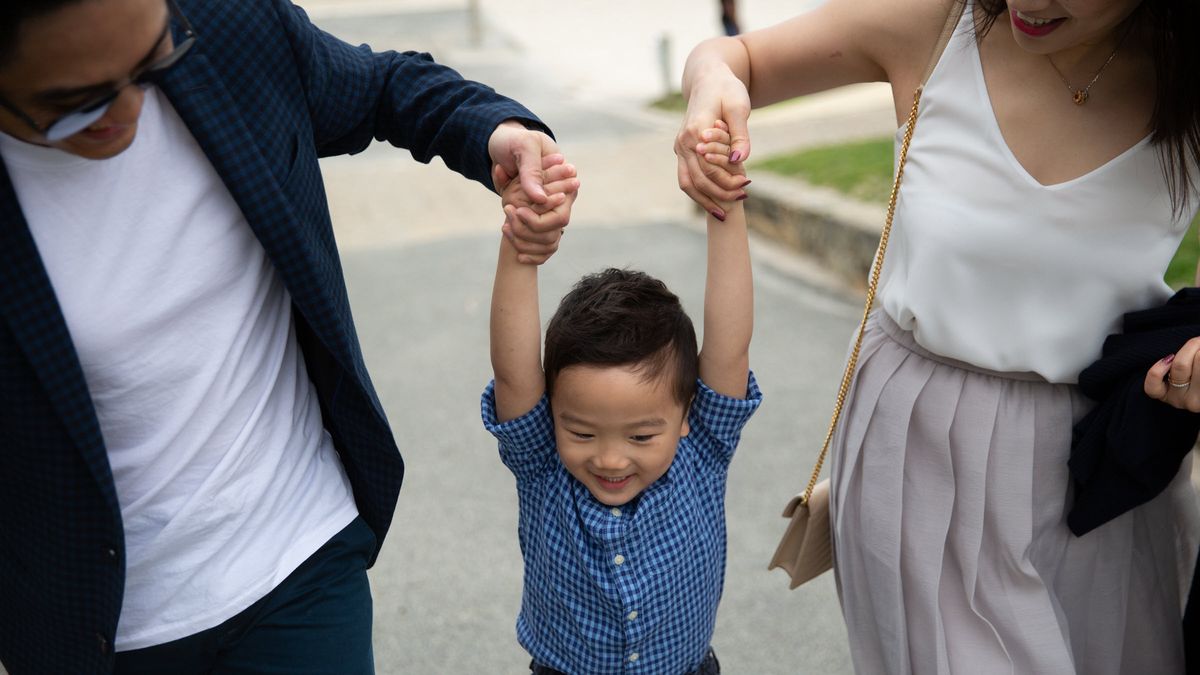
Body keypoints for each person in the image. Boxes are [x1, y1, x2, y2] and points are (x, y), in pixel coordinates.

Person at [0, 0, 576, 671]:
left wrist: (494, 132)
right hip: (99, 633)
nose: (130, 111)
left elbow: (383, 86)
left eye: (150, 64)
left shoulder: (226, 25)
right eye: (77, 102)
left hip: (302, 565)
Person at [676, 0, 1200, 673]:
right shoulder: (933, 22)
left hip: (1102, 467)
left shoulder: (1182, 73)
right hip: (917, 446)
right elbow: (733, 58)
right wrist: (711, 89)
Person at [482, 121, 760, 674]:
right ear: (553, 416)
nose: (609, 459)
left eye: (640, 435)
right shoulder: (542, 463)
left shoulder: (702, 449)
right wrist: (521, 238)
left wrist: (723, 200)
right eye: (581, 432)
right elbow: (513, 374)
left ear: (685, 416)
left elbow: (730, 344)